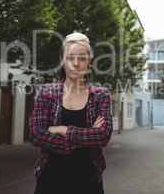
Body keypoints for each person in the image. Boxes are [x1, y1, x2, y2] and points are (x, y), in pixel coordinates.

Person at [29, 32, 113, 194]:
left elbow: (103, 135)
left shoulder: (101, 95)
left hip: (88, 179)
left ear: (89, 61)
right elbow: (36, 134)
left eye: (82, 58)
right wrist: (84, 138)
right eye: (70, 57)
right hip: (50, 180)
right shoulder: (47, 92)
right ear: (62, 61)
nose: (76, 63)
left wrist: (62, 130)